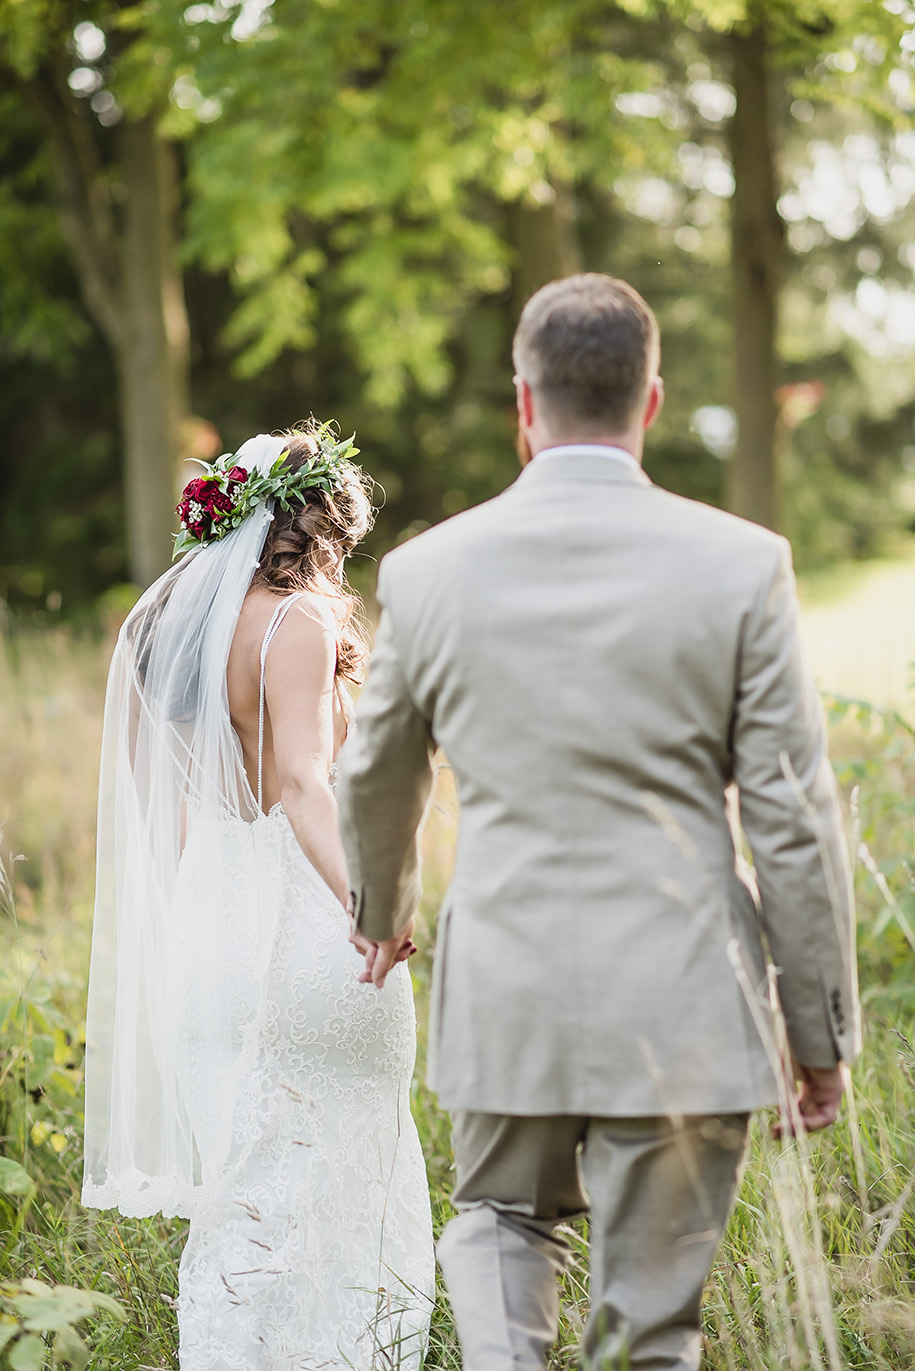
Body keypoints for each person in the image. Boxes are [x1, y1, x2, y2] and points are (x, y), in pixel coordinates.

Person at [337, 275, 861, 1371]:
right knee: (650, 1326)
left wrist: (382, 913)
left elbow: (374, 772)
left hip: (506, 985)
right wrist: (818, 1032)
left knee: (498, 1222)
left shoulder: (427, 573)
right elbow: (793, 818)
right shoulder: (742, 564)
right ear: (653, 402)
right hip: (687, 995)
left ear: (523, 405)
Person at [82, 424, 434, 1371]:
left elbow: (182, 809)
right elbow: (307, 782)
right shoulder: (301, 622)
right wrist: (368, 900)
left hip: (207, 945)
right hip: (312, 940)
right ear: (320, 528)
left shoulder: (178, 634)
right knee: (353, 1178)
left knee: (245, 1208)